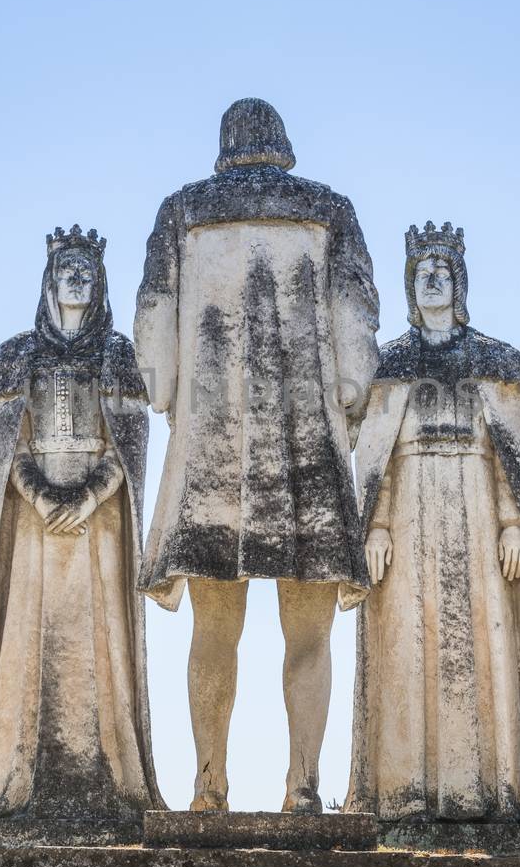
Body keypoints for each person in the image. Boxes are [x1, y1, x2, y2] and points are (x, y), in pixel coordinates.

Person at [134, 98, 380, 813]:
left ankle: (209, 784)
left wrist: (169, 395)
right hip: (305, 446)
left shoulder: (183, 211)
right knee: (309, 631)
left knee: (215, 631)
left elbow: (153, 337)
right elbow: (358, 331)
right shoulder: (328, 211)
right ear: (283, 144)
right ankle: (303, 787)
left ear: (225, 145)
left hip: (211, 445)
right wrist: (349, 404)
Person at [345, 222, 520, 822]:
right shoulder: (390, 367)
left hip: (474, 517)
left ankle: (483, 790)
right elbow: (378, 458)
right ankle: (404, 792)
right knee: (407, 648)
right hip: (411, 514)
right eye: (422, 270)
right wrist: (378, 526)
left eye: (443, 269)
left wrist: (513, 522)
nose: (433, 278)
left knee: (481, 647)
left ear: (459, 282)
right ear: (410, 285)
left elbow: (504, 458)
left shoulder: (492, 364)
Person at [0, 225, 165, 819]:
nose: (78, 277)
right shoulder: (16, 356)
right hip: (33, 524)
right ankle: (13, 776)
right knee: (26, 636)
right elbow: (8, 449)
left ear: (100, 283)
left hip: (97, 524)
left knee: (102, 642)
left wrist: (90, 498)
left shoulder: (118, 355)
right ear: (49, 280)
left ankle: (109, 777)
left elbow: (128, 447)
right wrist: (43, 496)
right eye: (68, 268)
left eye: (88, 270)